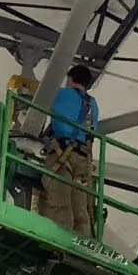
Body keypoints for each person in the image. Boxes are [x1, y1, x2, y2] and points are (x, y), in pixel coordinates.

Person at [38, 63, 99, 236]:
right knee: (81, 209)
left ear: (71, 79)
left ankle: (60, 241)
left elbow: (53, 115)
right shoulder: (92, 104)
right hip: (84, 159)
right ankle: (81, 243)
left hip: (61, 155)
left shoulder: (63, 94)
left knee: (60, 203)